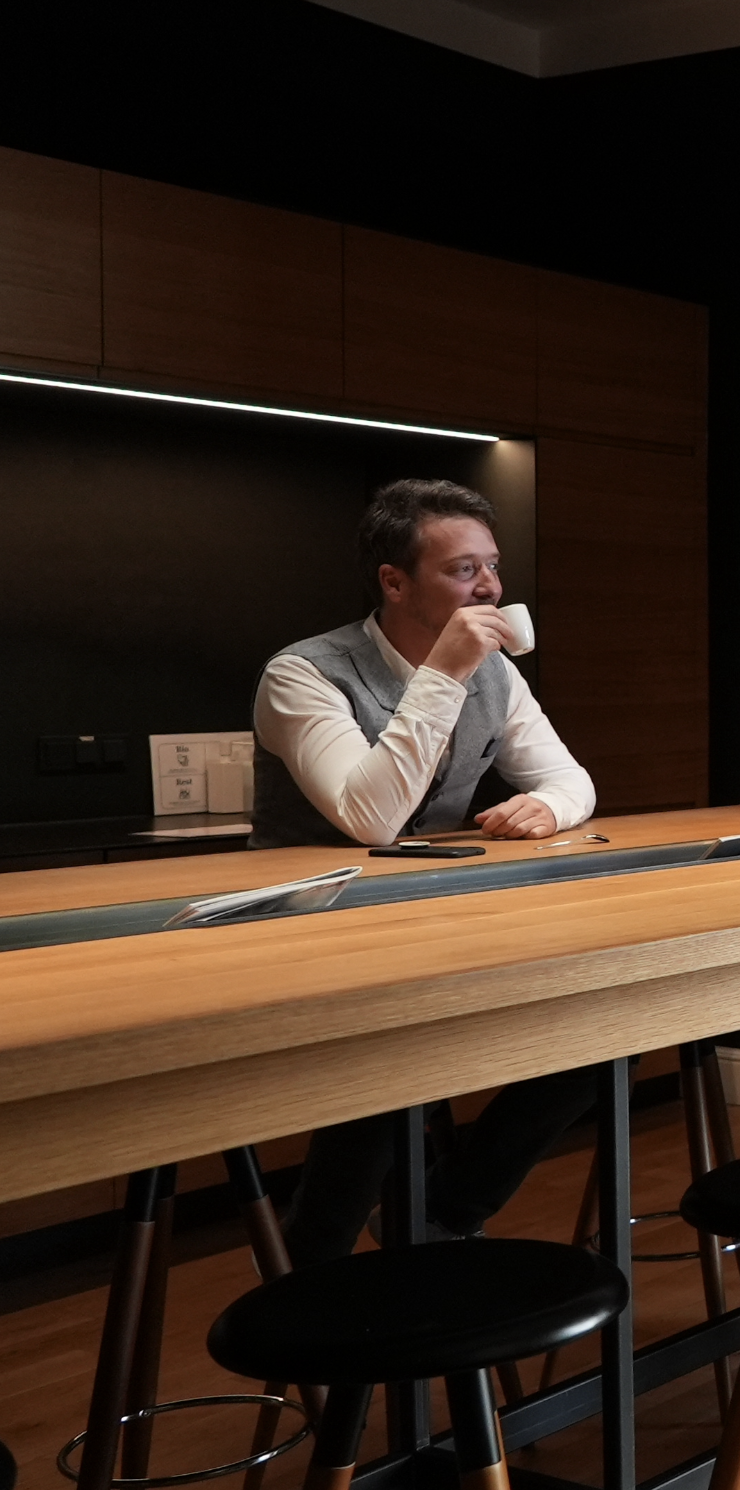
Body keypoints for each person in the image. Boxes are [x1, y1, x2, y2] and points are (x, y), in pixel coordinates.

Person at [253, 477, 607, 1264]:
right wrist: (443, 672)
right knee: (393, 1055)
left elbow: (572, 780)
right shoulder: (303, 674)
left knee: (607, 1022)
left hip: (428, 922)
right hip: (312, 930)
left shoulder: (495, 674)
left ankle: (445, 1210)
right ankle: (312, 1269)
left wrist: (548, 806)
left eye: (493, 566)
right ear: (394, 581)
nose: (490, 588)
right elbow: (370, 818)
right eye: (462, 570)